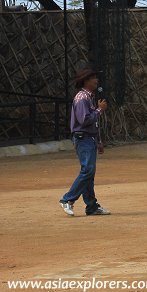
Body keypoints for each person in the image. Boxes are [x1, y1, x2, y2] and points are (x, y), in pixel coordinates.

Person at [59, 67, 111, 216]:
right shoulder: (82, 98)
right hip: (83, 138)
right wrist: (100, 110)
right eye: (94, 78)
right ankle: (67, 199)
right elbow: (84, 120)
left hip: (89, 138)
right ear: (86, 81)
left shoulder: (89, 97)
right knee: (88, 170)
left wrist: (99, 140)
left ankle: (91, 206)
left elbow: (93, 123)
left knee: (89, 172)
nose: (97, 81)